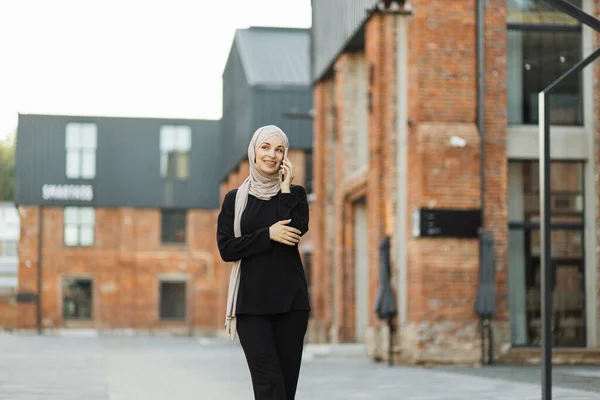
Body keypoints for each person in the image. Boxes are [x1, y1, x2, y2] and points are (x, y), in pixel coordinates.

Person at [216, 125, 311, 400]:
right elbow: (226, 248)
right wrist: (267, 235)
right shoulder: (235, 200)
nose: (272, 154)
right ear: (253, 152)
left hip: (291, 306)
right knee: (269, 386)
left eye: (279, 149)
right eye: (265, 147)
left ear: (285, 156)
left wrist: (283, 190)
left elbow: (294, 232)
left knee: (286, 389)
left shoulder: (295, 195)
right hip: (251, 308)